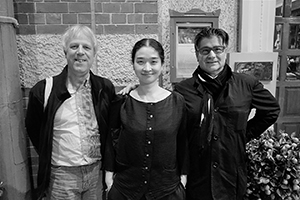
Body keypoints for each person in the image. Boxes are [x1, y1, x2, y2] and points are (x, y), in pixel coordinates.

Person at [173, 27, 280, 200]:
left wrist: (243, 134)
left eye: (217, 49)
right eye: (205, 50)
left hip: (231, 172)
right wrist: (136, 90)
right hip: (197, 174)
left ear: (225, 51)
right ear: (197, 54)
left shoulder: (246, 84)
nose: (212, 55)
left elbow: (271, 110)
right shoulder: (183, 90)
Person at [25, 25, 116, 200]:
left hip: (95, 173)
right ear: (65, 51)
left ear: (94, 53)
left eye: (86, 47)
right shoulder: (44, 90)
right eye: (74, 46)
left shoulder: (104, 88)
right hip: (61, 176)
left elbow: (111, 126)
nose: (80, 52)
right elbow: (35, 130)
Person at [104, 38, 189, 200]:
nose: (147, 68)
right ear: (133, 64)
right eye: (140, 61)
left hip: (167, 190)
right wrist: (109, 178)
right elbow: (111, 141)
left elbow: (183, 141)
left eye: (153, 61)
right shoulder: (122, 101)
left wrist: (183, 179)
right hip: (126, 190)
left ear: (162, 65)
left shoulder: (177, 102)